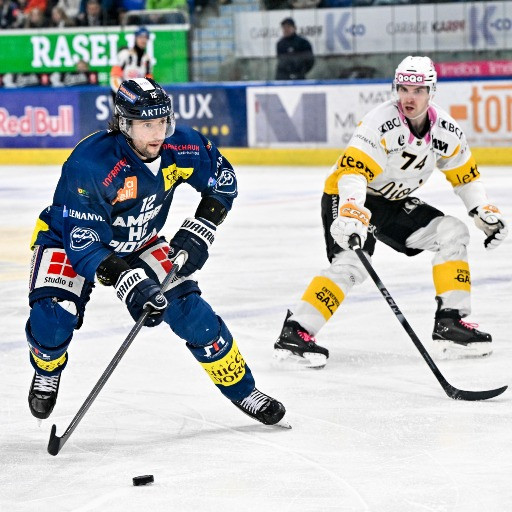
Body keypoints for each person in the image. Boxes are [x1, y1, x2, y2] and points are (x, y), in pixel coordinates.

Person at [26, 77, 287, 430]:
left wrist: (203, 226)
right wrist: (128, 281)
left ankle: (244, 390)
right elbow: (84, 243)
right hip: (69, 239)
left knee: (193, 314)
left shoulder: (183, 146)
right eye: (147, 124)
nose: (158, 133)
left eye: (162, 121)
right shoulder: (91, 163)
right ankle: (47, 367)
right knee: (54, 319)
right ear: (124, 124)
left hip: (140, 240)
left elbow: (223, 180)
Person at [274, 56, 508, 368]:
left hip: (392, 203)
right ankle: (296, 331)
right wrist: (351, 212)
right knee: (351, 264)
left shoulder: (446, 130)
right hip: (348, 195)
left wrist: (481, 210)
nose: (409, 97)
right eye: (403, 89)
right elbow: (353, 173)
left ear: (431, 92)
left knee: (453, 232)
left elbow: (465, 176)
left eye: (418, 90)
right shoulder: (380, 123)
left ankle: (450, 323)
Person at [110, 27, 152, 102]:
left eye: (145, 38)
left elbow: (149, 81)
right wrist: (126, 94)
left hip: (137, 98)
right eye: (140, 37)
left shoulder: (147, 60)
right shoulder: (125, 54)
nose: (143, 40)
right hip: (120, 94)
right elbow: (114, 77)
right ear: (135, 38)